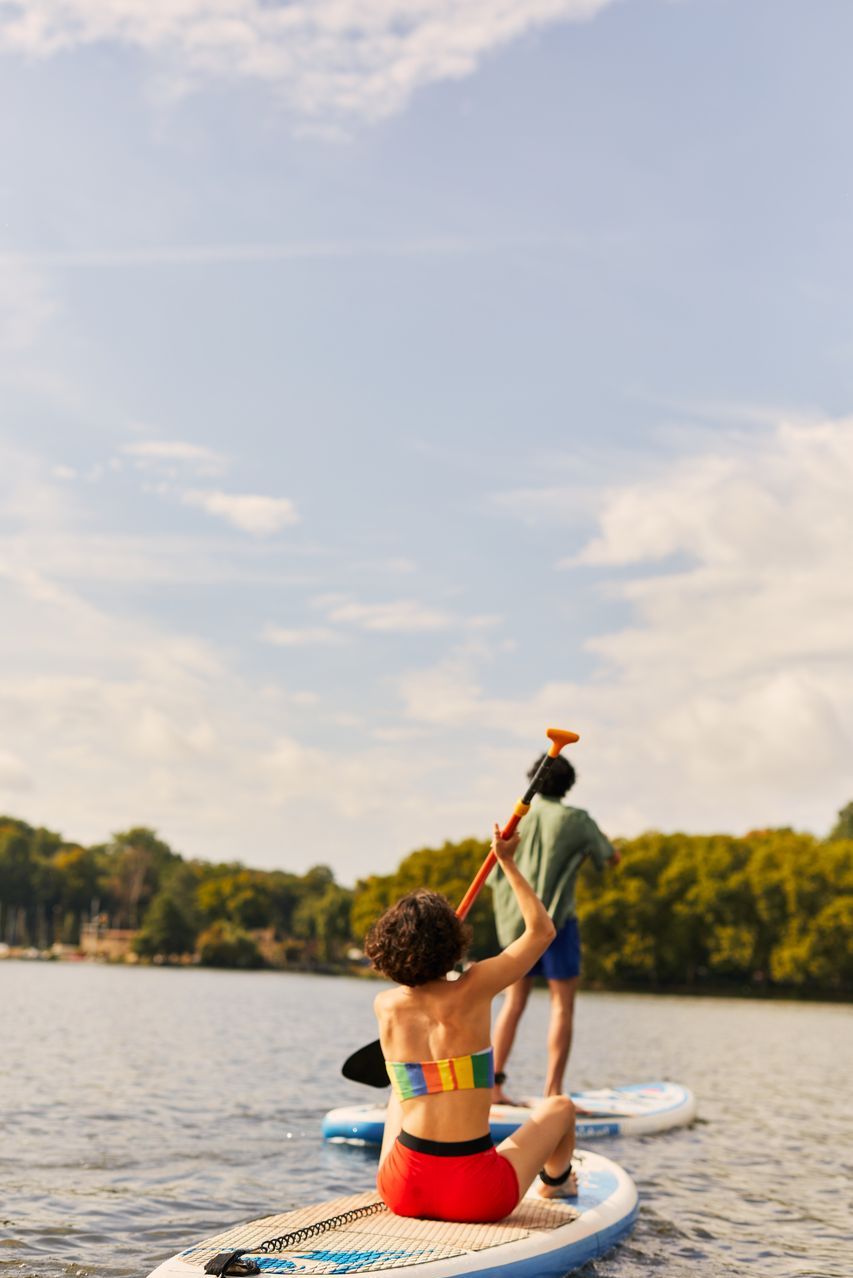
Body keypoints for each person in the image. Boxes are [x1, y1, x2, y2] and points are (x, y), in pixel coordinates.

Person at [365, 825, 577, 1224]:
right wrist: (507, 862)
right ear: (452, 942)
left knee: (398, 1095)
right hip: (476, 1196)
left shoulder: (386, 1006)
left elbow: (417, 986)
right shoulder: (477, 987)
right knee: (561, 1107)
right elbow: (541, 931)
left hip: (402, 1191)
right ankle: (558, 1181)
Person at [490, 754, 620, 1105]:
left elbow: (493, 878)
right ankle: (552, 1092)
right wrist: (611, 855)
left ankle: (494, 1087)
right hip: (556, 922)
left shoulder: (517, 821)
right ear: (568, 786)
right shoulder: (576, 820)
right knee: (562, 1006)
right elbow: (608, 857)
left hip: (514, 922)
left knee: (513, 1002)